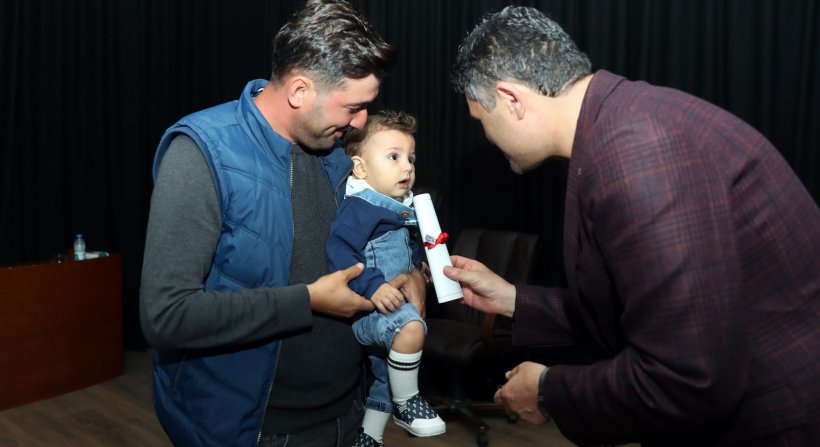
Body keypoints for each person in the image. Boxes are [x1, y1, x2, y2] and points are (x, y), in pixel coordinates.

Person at [444, 5, 820, 446]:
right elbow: (641, 311)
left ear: (511, 100)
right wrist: (511, 299)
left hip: (774, 422)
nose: (488, 137)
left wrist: (547, 391)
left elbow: (688, 377)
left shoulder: (634, 151)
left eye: (481, 120)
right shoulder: (626, 116)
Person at [139, 1, 429, 446]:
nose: (361, 122)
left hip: (348, 417)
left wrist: (413, 274)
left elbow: (381, 228)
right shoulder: (202, 153)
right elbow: (166, 316)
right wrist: (307, 301)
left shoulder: (339, 150)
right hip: (252, 430)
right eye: (353, 107)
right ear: (299, 91)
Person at [326, 110, 446, 447]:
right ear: (360, 168)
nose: (407, 166)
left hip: (392, 307)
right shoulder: (360, 207)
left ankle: (370, 436)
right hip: (371, 313)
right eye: (394, 157)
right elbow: (340, 250)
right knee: (412, 329)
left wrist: (418, 266)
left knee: (386, 379)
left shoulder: (394, 208)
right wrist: (373, 286)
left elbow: (403, 246)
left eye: (411, 158)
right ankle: (408, 403)